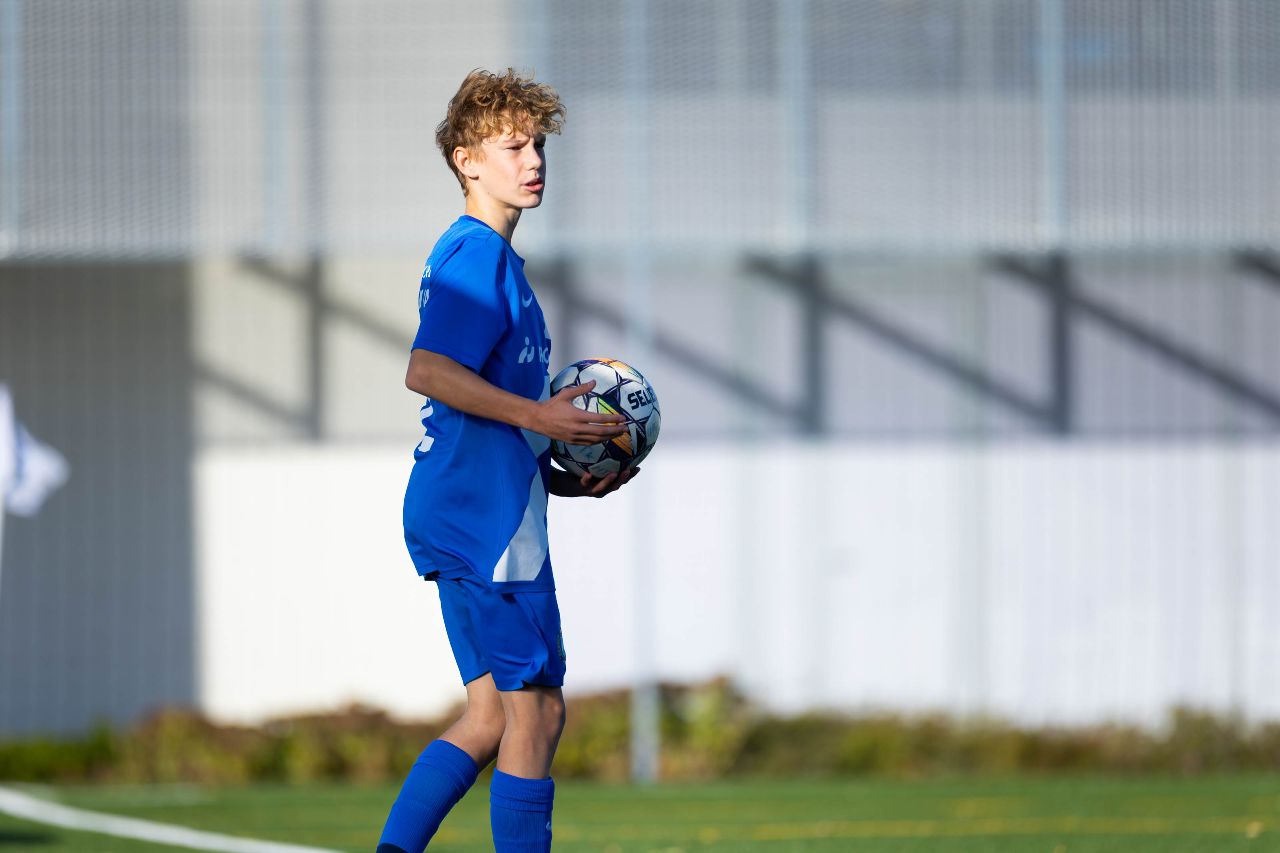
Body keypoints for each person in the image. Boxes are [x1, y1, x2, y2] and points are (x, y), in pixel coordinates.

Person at [377, 68, 638, 853]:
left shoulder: (493, 262)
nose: (534, 161)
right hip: (484, 521)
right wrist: (537, 414)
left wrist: (563, 474)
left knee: (492, 714)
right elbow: (427, 369)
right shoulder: (476, 255)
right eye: (513, 147)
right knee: (539, 712)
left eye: (539, 146)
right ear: (466, 161)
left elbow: (488, 416)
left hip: (471, 505)